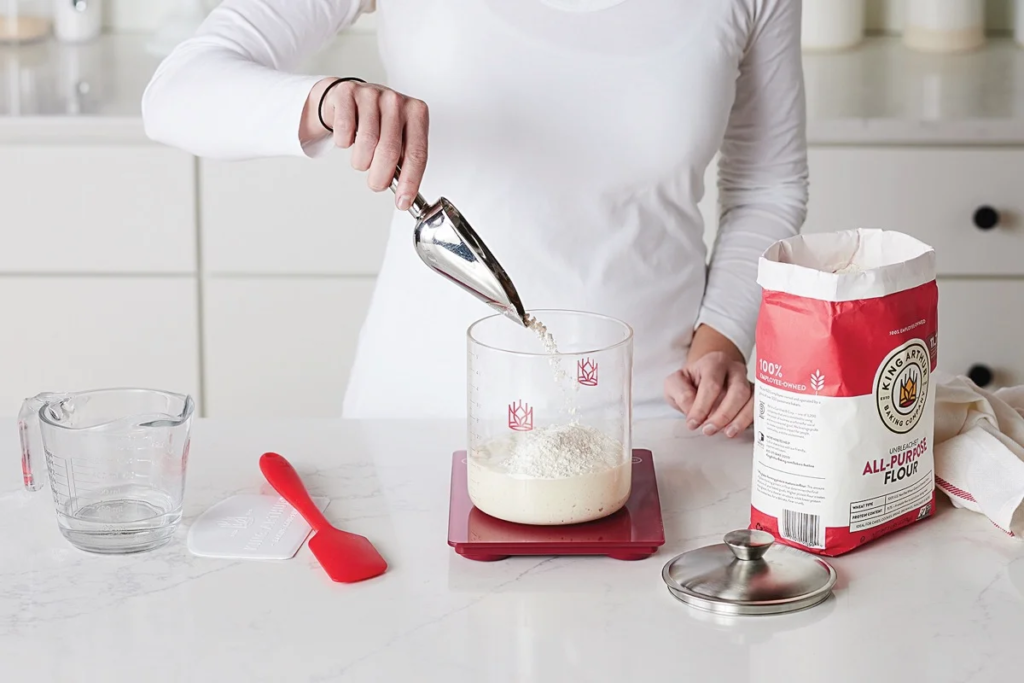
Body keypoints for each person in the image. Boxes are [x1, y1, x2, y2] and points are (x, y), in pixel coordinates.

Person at [142, 0, 808, 436]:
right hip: (425, 427)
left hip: (655, 427)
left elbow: (768, 185)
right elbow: (178, 92)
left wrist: (721, 342)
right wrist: (326, 100)